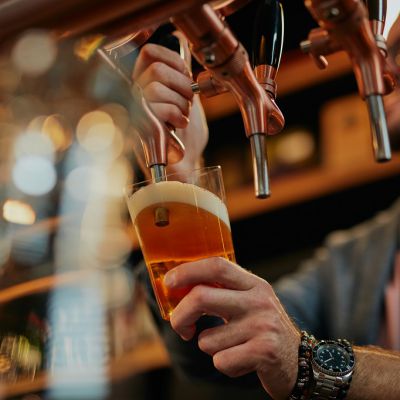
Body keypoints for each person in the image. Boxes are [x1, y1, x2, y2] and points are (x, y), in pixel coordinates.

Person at [131, 20, 400, 400]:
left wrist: (305, 358)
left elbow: (295, 354)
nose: (385, 63)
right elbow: (220, 346)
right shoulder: (354, 258)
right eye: (386, 50)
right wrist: (181, 179)